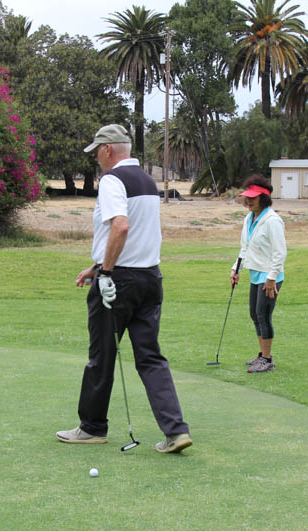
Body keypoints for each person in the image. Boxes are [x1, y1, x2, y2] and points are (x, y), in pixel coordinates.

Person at [56, 124, 192, 453]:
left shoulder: (112, 180)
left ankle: (92, 428)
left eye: (97, 153)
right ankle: (176, 430)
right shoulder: (148, 181)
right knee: (150, 358)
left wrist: (105, 272)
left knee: (101, 356)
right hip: (150, 279)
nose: (96, 160)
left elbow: (122, 226)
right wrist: (96, 267)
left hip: (119, 282)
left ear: (108, 150)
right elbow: (136, 233)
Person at [229, 175, 287, 373]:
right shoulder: (249, 218)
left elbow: (280, 253)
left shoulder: (273, 221)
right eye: (247, 197)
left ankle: (267, 359)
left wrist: (271, 278)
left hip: (270, 277)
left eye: (253, 197)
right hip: (255, 274)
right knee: (254, 314)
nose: (249, 201)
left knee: (263, 315)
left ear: (264, 198)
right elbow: (244, 248)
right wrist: (236, 270)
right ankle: (262, 355)